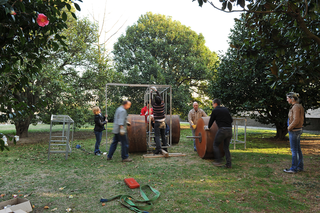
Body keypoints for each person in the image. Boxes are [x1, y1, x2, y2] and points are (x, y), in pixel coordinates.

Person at [207, 99, 233, 168]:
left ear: (215, 104)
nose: (213, 105)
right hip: (230, 130)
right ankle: (228, 164)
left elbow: (211, 120)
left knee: (215, 144)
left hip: (222, 130)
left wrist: (208, 127)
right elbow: (231, 120)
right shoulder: (225, 109)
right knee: (226, 147)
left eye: (213, 104)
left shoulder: (215, 110)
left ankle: (218, 161)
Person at [283, 92, 304, 174]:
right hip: (297, 130)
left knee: (294, 150)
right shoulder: (299, 106)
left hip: (294, 131)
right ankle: (300, 166)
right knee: (298, 149)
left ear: (292, 99)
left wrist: (289, 128)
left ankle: (294, 168)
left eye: (288, 98)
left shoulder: (296, 107)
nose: (287, 100)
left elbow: (296, 120)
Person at [150, 86, 168, 154]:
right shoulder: (162, 105)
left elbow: (151, 99)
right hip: (163, 122)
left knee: (157, 136)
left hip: (157, 122)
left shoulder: (154, 105)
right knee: (163, 135)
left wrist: (151, 92)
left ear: (155, 101)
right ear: (160, 100)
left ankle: (158, 149)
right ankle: (165, 148)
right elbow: (160, 97)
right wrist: (156, 90)